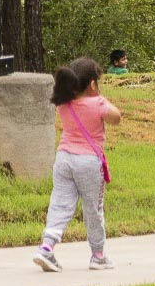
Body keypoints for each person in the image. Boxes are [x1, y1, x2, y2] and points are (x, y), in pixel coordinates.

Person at [34, 56, 121, 273]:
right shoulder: (97, 103)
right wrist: (100, 98)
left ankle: (46, 247)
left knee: (60, 203)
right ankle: (98, 255)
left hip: (63, 158)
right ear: (93, 84)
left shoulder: (63, 103)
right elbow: (116, 117)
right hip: (89, 162)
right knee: (93, 208)